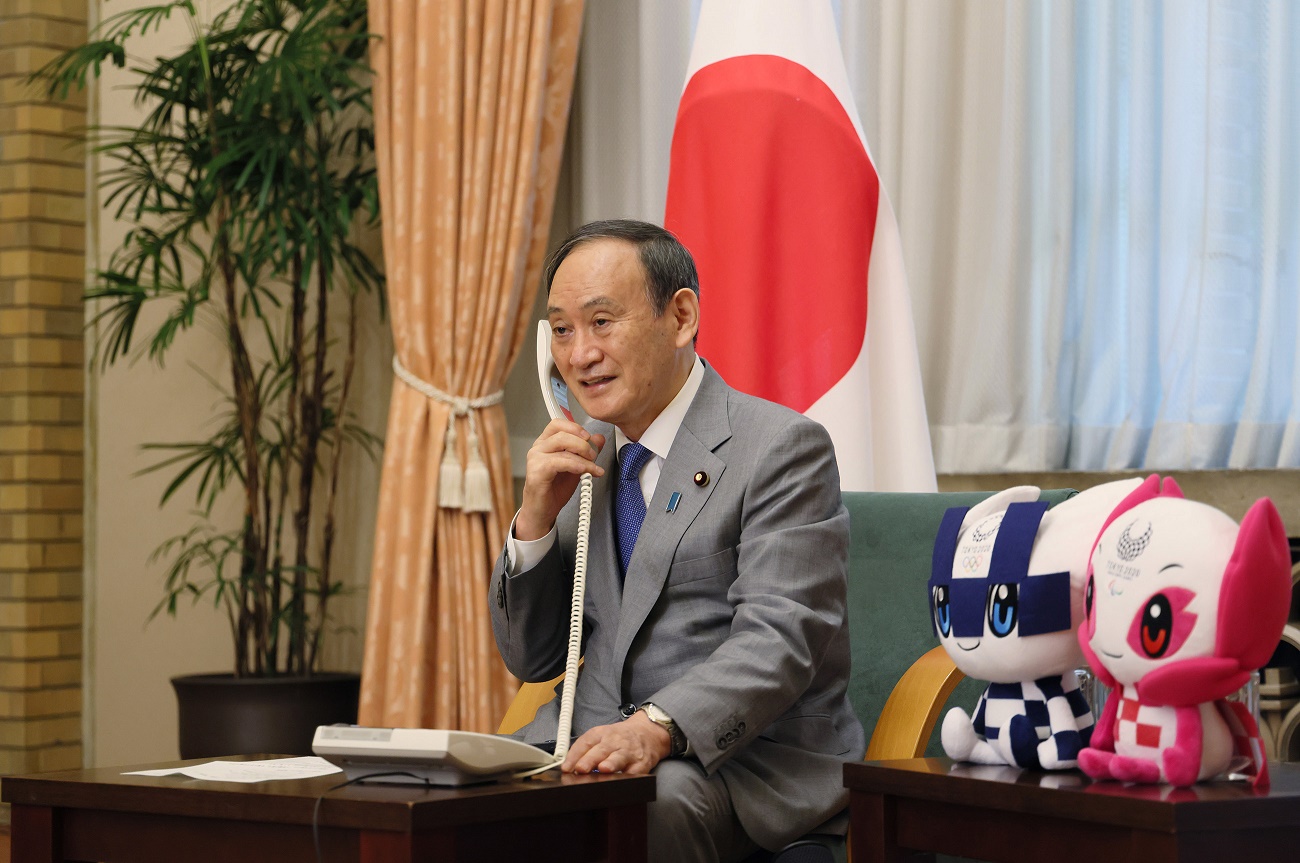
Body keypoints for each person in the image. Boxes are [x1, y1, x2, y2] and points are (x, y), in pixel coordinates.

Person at [489, 219, 865, 862]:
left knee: (648, 804)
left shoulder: (779, 447)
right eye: (561, 330)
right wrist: (534, 524)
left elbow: (780, 638)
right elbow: (534, 659)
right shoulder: (585, 454)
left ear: (681, 316)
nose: (578, 355)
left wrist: (658, 726)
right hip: (584, 742)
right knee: (435, 795)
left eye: (601, 322)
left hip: (744, 765)